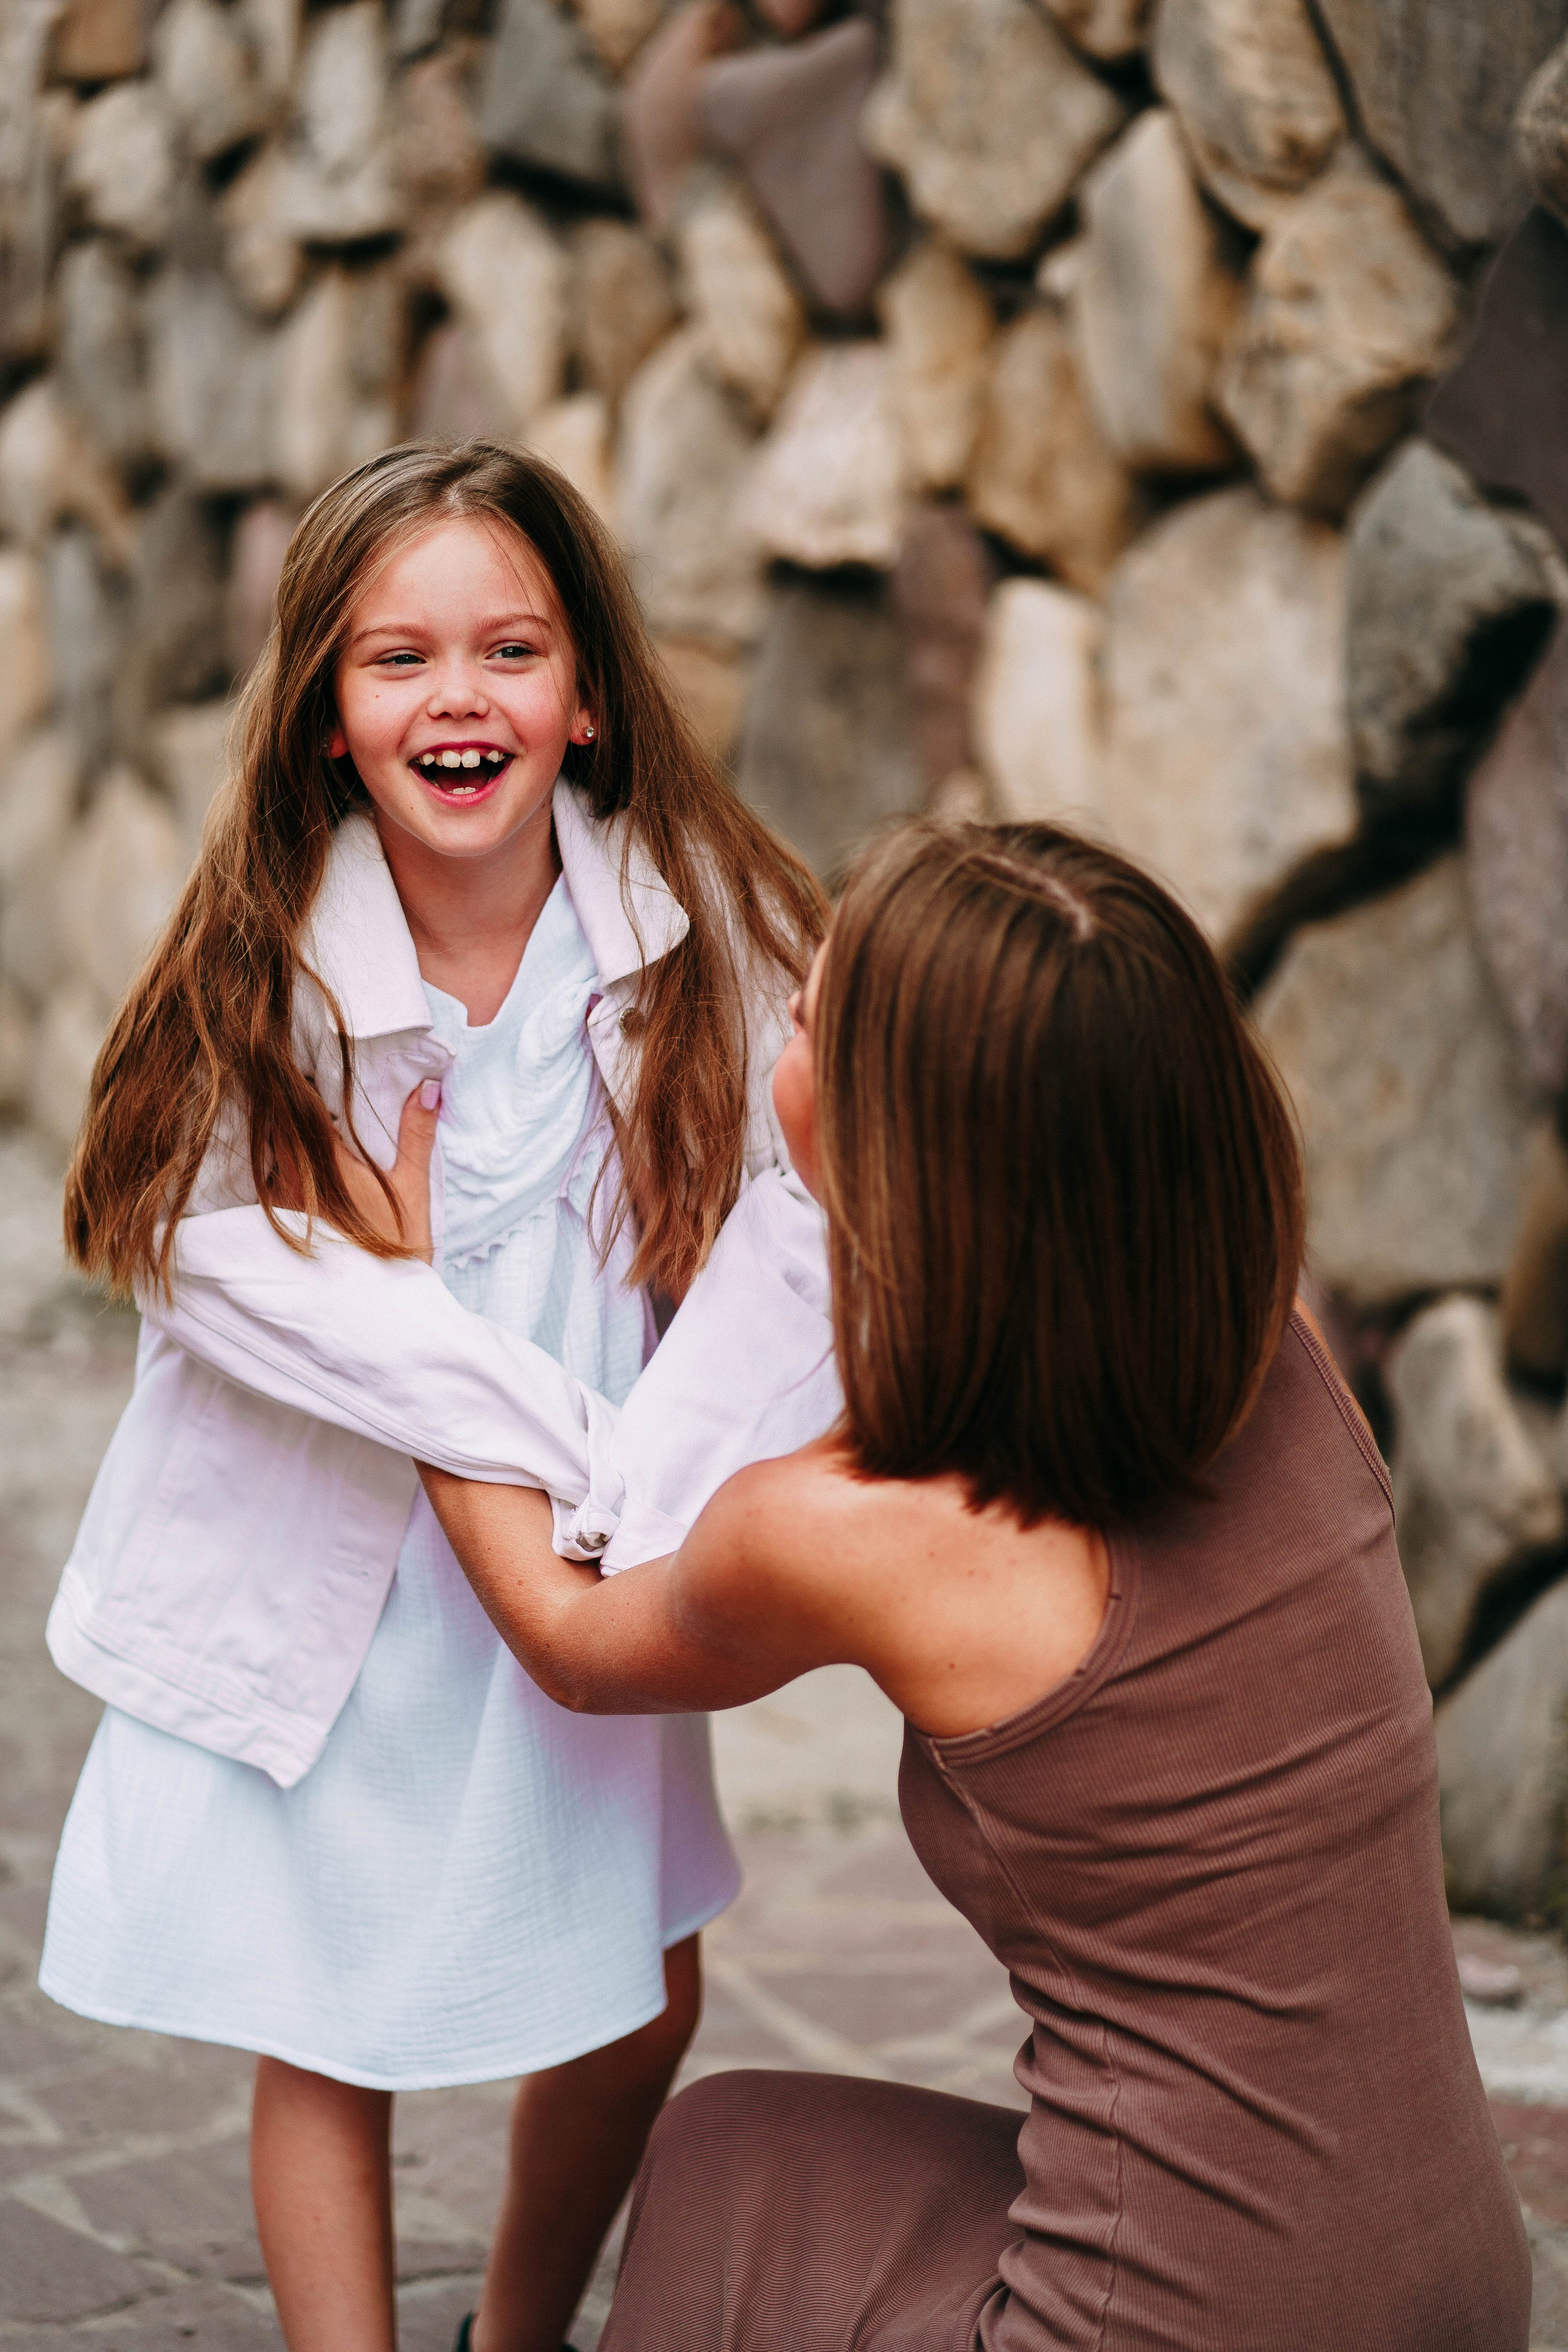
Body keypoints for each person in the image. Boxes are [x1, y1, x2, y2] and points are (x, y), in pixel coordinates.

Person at [410, 820, 1531, 2351]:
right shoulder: (1270, 1340)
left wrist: (404, 1300)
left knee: (721, 2186)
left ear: (901, 1151)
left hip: (1172, 2325)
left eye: (808, 1023)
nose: (780, 1024)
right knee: (735, 2152)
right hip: (1453, 2284)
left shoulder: (851, 1530)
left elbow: (570, 1636)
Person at [39, 441, 827, 2352]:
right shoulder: (271, 968)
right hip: (348, 1574)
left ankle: (516, 2331)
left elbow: (803, 1213)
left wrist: (680, 1443)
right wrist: (537, 1412)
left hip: (591, 1563)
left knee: (642, 1991)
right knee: (324, 2005)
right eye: (397, 659)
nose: (457, 697)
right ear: (327, 712)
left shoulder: (699, 923)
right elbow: (220, 1264)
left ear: (588, 695)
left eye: (509, 651)